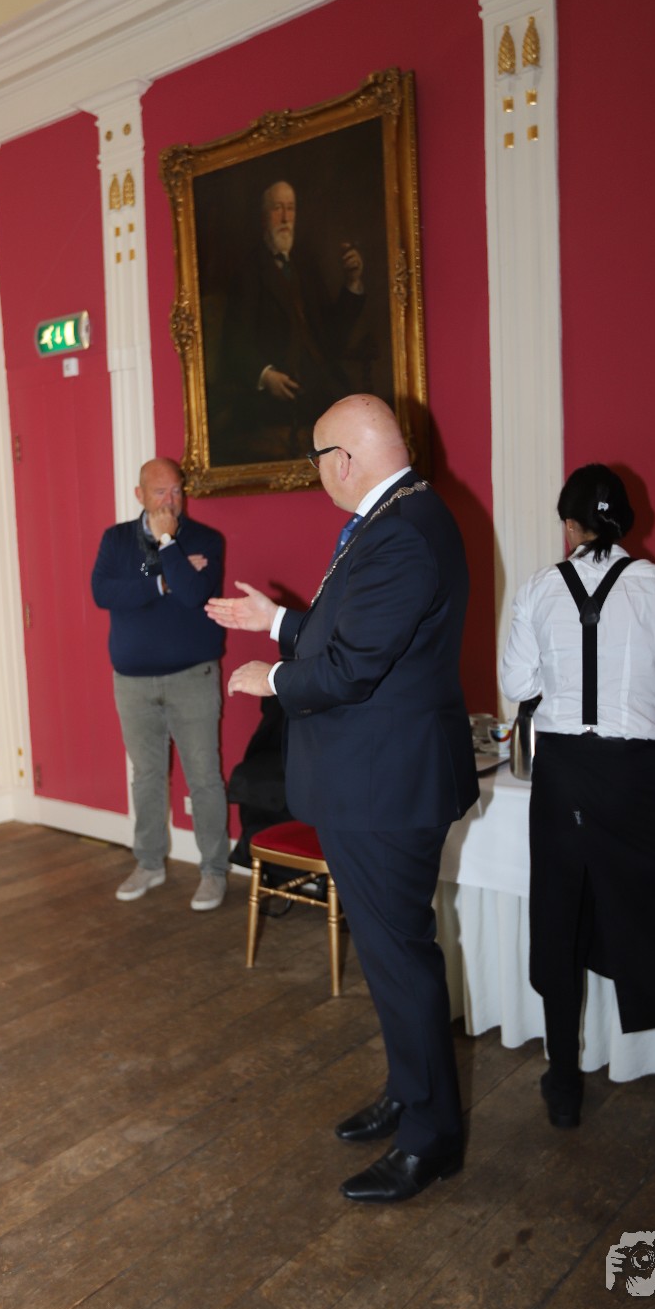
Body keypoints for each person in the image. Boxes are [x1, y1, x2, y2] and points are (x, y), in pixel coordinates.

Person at [207, 394, 479, 1202]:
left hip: (385, 787)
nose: (317, 473)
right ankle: (409, 1089)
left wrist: (273, 677)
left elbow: (352, 668)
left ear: (344, 459)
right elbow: (356, 634)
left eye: (317, 458)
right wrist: (279, 622)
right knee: (391, 956)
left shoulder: (400, 531)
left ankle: (432, 1138)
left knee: (401, 958)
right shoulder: (399, 516)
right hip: (376, 779)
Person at [499, 464, 655, 1147]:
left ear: (570, 525)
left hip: (562, 778)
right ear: (625, 525)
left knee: (559, 920)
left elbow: (516, 682)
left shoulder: (537, 588)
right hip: (633, 778)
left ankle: (563, 1088)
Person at [91, 457, 230, 911]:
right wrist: (163, 580)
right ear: (139, 495)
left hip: (192, 678)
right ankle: (149, 863)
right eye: (159, 492)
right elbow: (103, 593)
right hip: (132, 682)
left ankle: (214, 871)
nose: (170, 500)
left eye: (176, 491)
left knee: (204, 777)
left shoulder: (205, 539)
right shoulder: (115, 540)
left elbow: (194, 594)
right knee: (147, 777)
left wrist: (169, 543)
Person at [208, 180, 369, 465]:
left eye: (290, 209)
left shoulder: (305, 267)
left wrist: (352, 282)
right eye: (277, 209)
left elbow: (330, 335)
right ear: (264, 218)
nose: (284, 218)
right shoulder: (248, 271)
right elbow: (235, 342)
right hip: (276, 393)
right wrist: (265, 375)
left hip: (320, 382)